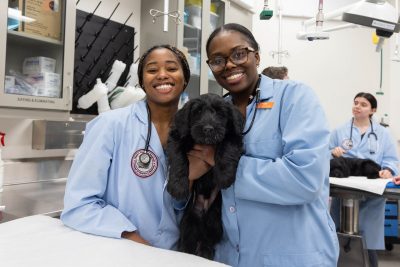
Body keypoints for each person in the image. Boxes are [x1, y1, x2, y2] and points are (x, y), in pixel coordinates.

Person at [187, 23, 339, 267]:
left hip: (293, 257)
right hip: (228, 256)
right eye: (217, 60)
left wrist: (220, 161)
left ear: (256, 56)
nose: (228, 65)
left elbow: (305, 180)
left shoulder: (295, 97)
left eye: (238, 54)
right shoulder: (214, 114)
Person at [61, 44, 191, 249]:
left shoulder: (191, 133)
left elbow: (177, 205)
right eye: (152, 70)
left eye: (172, 68)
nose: (162, 75)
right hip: (121, 249)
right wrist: (132, 237)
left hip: (173, 253)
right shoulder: (110, 125)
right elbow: (79, 204)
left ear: (185, 79)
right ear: (141, 81)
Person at [330, 92, 399, 267]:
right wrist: (333, 152)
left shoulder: (383, 134)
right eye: (355, 103)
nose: (357, 106)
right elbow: (325, 155)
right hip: (344, 193)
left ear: (372, 110)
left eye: (363, 104)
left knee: (367, 243)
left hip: (371, 195)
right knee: (340, 240)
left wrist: (388, 170)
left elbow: (391, 160)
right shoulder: (339, 131)